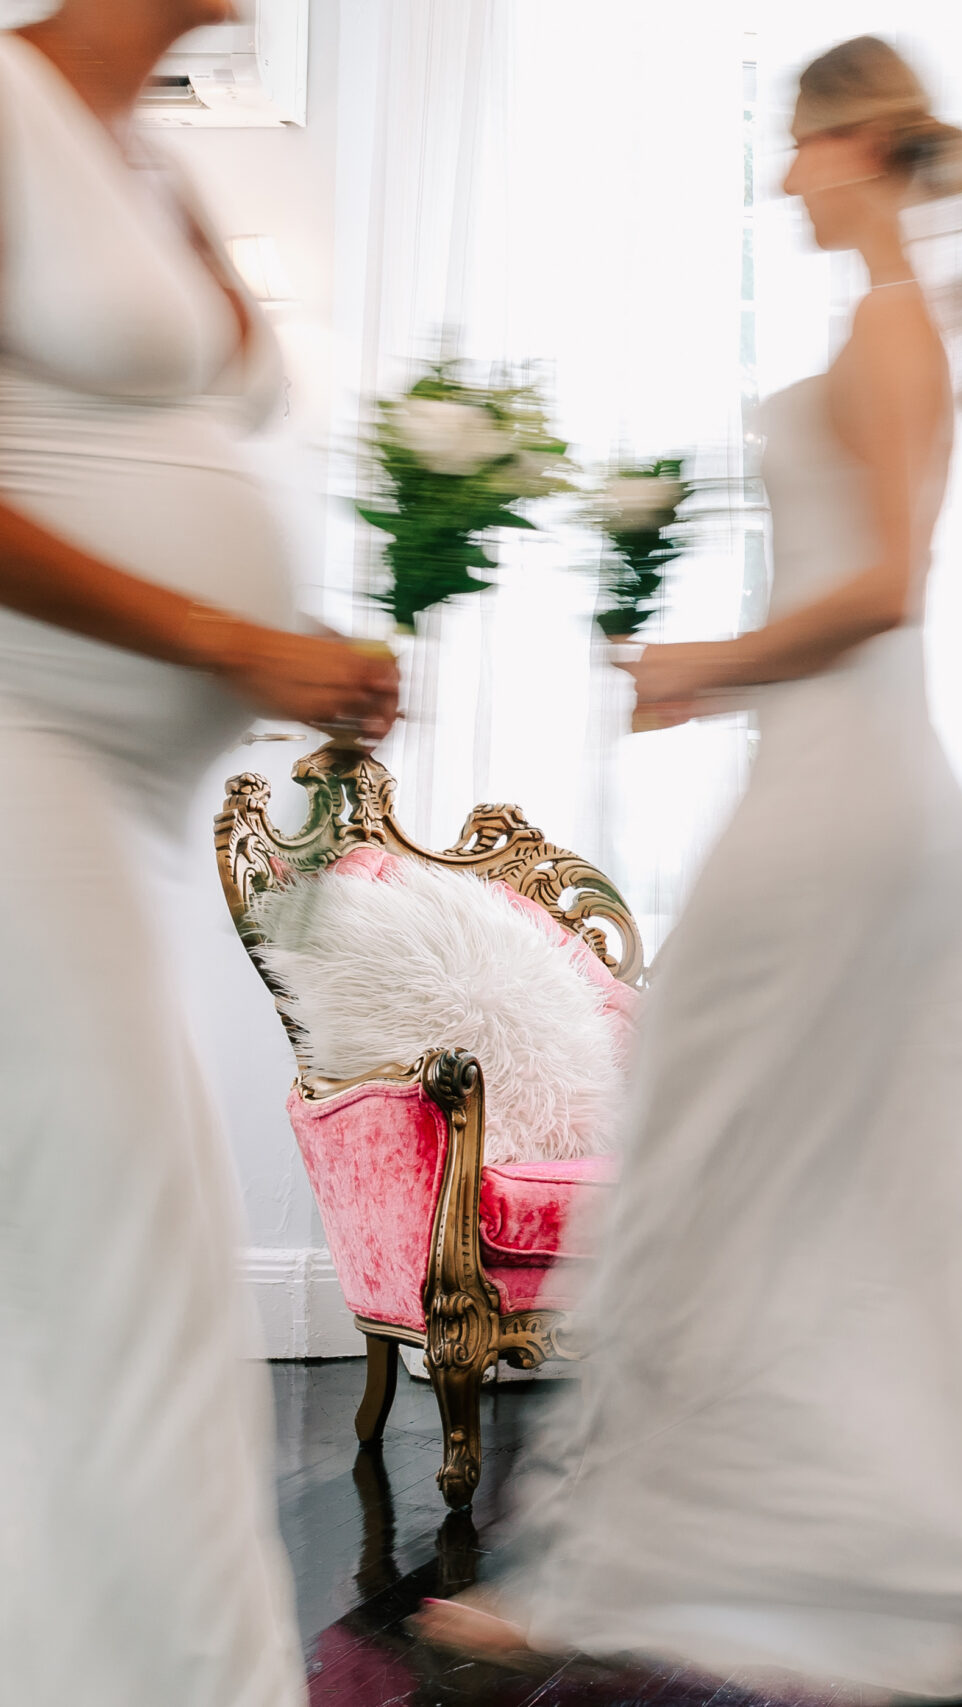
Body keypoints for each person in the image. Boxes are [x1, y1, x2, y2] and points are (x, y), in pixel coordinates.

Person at [410, 37, 962, 1700]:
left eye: (791, 148)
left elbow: (884, 596)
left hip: (846, 794)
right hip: (842, 785)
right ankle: (698, 1558)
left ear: (855, 142)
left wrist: (694, 668)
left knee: (715, 1152)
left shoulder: (883, 327)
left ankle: (617, 1566)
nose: (778, 178)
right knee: (771, 1173)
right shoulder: (889, 324)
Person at [0, 2, 404, 1702]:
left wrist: (285, 644)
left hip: (127, 798)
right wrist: (225, 642)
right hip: (24, 755)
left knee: (117, 1270)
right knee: (129, 1266)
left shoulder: (151, 153)